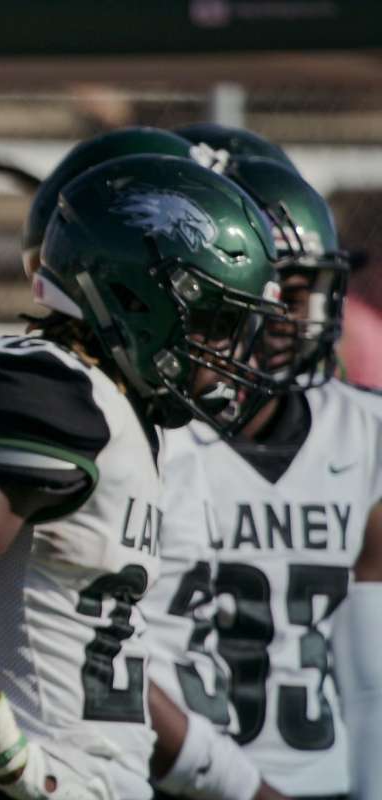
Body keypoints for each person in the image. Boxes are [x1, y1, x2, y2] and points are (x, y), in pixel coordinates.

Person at [0, 153, 286, 800]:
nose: (224, 353)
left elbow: (107, 666)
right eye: (216, 323)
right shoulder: (45, 385)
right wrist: (10, 759)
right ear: (138, 296)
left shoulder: (116, 408)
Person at [149, 127, 382, 800]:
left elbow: (371, 665)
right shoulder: (136, 433)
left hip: (322, 779)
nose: (284, 316)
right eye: (267, 288)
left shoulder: (362, 432)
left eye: (304, 288)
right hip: (164, 779)